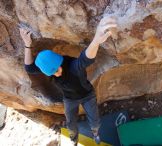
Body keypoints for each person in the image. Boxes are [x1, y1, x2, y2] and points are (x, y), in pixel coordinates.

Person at [20, 17, 117, 146]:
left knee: (95, 121)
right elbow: (29, 67)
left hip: (87, 95)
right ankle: (73, 137)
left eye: (58, 69)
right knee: (70, 122)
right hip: (69, 98)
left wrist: (96, 41)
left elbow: (85, 58)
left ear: (59, 60)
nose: (57, 73)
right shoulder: (48, 67)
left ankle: (95, 133)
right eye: (53, 73)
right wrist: (27, 44)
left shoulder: (72, 67)